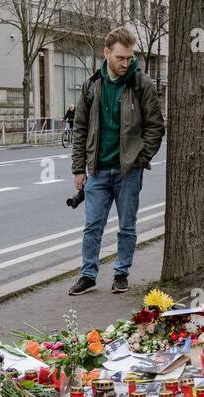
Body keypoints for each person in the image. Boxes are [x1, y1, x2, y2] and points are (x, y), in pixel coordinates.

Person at [68, 26, 166, 296]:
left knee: (127, 227)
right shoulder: (92, 85)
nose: (126, 63)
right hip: (97, 170)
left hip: (128, 171)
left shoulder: (141, 83)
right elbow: (80, 129)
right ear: (107, 53)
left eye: (129, 57)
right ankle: (88, 275)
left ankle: (121, 274)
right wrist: (79, 167)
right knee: (92, 226)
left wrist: (139, 158)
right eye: (121, 57)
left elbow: (155, 126)